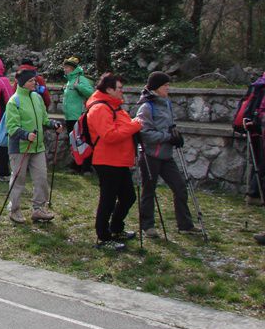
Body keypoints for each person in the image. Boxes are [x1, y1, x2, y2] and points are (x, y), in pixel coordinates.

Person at [135, 72, 201, 237]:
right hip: (150, 155)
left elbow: (170, 125)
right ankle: (147, 225)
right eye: (165, 85)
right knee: (149, 190)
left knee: (180, 187)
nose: (168, 88)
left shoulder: (166, 103)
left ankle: (185, 225)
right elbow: (145, 134)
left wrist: (177, 136)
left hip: (166, 155)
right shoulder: (146, 107)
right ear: (157, 88)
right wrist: (168, 138)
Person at [86, 73, 144, 251]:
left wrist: (132, 126)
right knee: (108, 200)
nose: (122, 91)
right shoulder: (100, 109)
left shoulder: (114, 106)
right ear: (109, 89)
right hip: (106, 161)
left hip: (118, 160)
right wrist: (134, 125)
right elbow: (109, 135)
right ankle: (103, 237)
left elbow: (120, 129)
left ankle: (116, 228)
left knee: (128, 196)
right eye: (119, 88)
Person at [5, 68, 61, 223]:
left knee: (41, 178)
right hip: (20, 147)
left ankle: (38, 209)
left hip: (37, 146)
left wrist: (53, 124)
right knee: (18, 180)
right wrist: (25, 135)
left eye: (35, 80)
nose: (34, 83)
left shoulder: (37, 98)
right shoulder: (13, 101)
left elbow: (43, 119)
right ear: (22, 83)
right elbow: (12, 127)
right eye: (31, 81)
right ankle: (15, 210)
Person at [62, 57, 94, 173]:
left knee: (81, 142)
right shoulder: (69, 80)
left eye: (66, 67)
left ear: (71, 68)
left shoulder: (80, 79)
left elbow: (91, 93)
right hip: (70, 117)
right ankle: (77, 165)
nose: (64, 70)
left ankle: (85, 167)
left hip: (78, 116)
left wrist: (78, 87)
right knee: (74, 143)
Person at [242, 71, 265, 206]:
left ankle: (253, 194)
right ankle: (254, 194)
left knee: (258, 162)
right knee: (261, 164)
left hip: (255, 126)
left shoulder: (258, 84)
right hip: (259, 127)